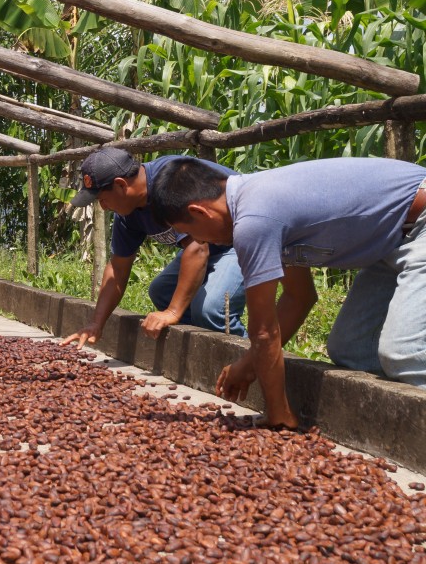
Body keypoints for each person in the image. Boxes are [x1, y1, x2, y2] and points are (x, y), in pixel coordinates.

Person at [149, 156, 426, 428]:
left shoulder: (253, 220)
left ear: (200, 211)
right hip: (390, 240)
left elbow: (264, 331)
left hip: (419, 223)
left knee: (402, 354)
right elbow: (299, 297)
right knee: (351, 350)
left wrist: (278, 414)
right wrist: (250, 362)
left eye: (191, 232)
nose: (199, 241)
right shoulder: (256, 205)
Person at [60, 147, 247, 353]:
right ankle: (203, 352)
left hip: (239, 237)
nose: (103, 207)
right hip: (206, 243)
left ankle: (249, 361)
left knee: (211, 309)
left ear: (121, 185)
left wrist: (173, 312)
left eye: (102, 199)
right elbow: (118, 268)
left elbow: (197, 248)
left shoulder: (171, 180)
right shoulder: (127, 214)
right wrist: (96, 324)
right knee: (161, 292)